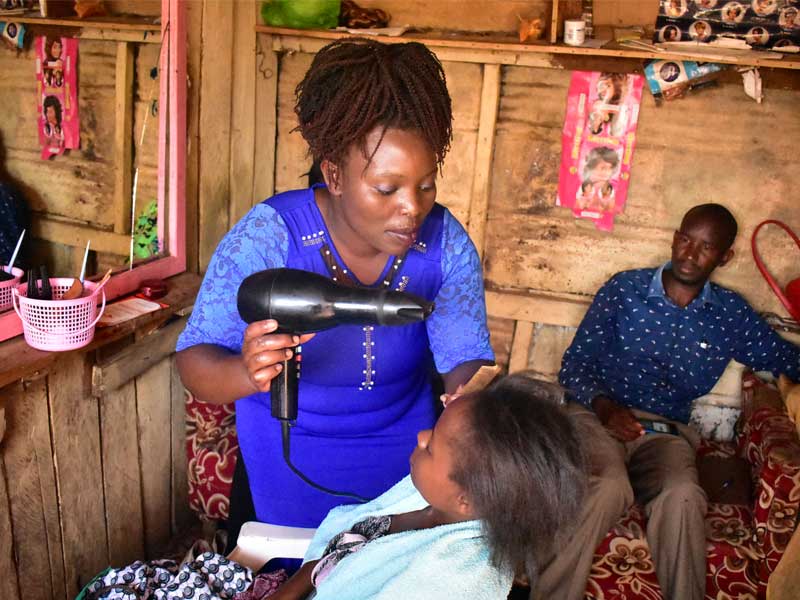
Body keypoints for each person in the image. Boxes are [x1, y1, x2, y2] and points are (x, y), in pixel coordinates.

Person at [176, 38, 495, 539]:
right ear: (334, 175)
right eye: (387, 189)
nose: (413, 207)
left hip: (409, 462)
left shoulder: (445, 244)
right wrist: (244, 371)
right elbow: (193, 363)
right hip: (285, 458)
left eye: (426, 184)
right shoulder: (269, 236)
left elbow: (465, 360)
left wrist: (469, 397)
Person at [536, 203, 800, 600]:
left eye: (706, 247)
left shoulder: (730, 314)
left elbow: (786, 359)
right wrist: (606, 407)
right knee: (607, 485)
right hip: (596, 415)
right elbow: (574, 365)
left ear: (724, 257)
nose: (689, 254)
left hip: (666, 432)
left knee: (683, 494)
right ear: (675, 238)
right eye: (685, 239)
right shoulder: (624, 290)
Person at [265, 374, 587, 600]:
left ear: (467, 499)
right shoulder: (435, 502)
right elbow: (334, 556)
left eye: (431, 445)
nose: (421, 436)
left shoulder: (452, 582)